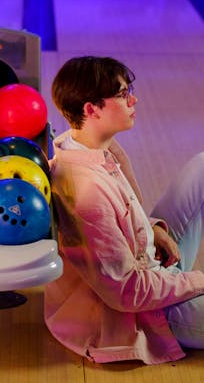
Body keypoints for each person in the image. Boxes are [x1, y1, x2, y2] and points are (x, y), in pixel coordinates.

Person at [44, 55, 204, 365]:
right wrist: (198, 281)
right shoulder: (87, 193)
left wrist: (155, 228)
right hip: (142, 314)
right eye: (121, 93)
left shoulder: (79, 144)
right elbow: (127, 291)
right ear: (91, 109)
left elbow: (127, 217)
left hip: (150, 266)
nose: (134, 99)